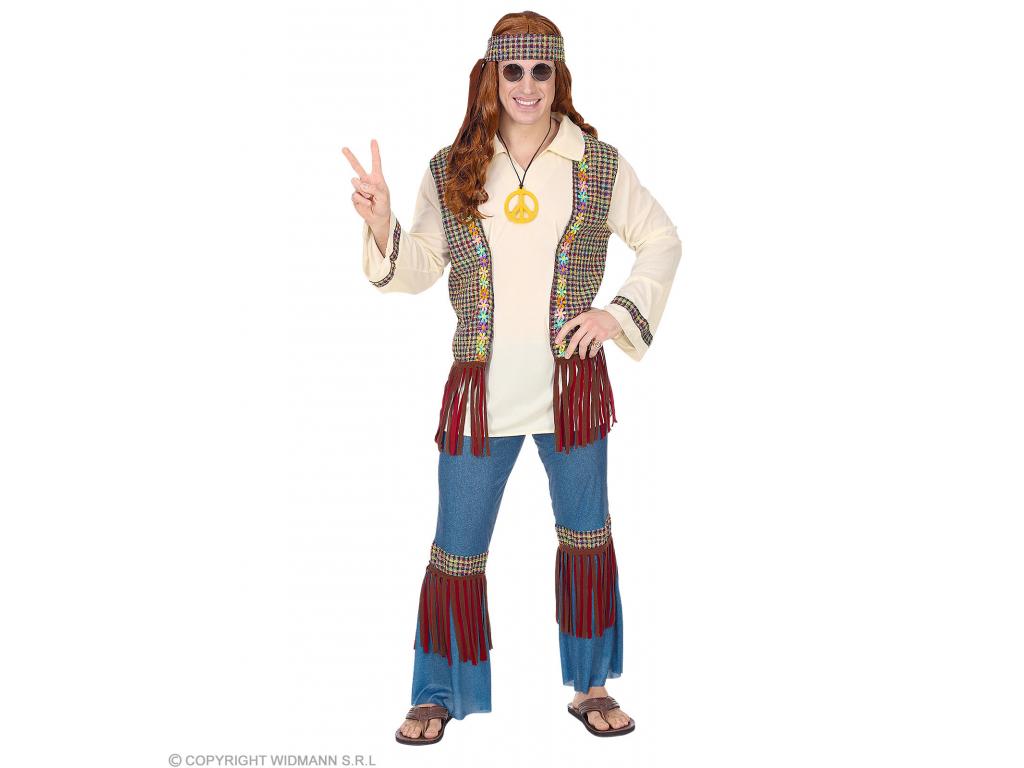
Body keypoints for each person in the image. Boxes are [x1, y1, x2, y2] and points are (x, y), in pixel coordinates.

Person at [342, 11, 682, 744]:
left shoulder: (599, 163)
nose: (527, 84)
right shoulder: (452, 167)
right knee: (455, 548)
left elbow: (661, 239)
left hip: (572, 393)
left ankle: (591, 684)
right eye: (513, 70)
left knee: (587, 538)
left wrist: (616, 314)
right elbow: (419, 268)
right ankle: (436, 692)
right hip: (481, 394)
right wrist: (381, 221)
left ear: (558, 78)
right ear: (491, 77)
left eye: (541, 70)